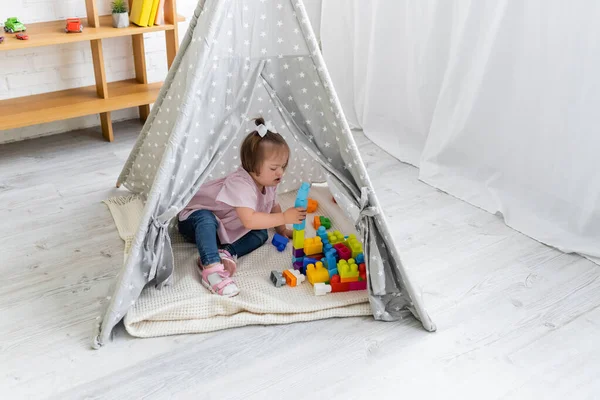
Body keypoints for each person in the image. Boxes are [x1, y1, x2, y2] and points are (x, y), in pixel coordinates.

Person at [178, 118, 307, 297]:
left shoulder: (269, 181)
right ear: (253, 167)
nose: (281, 173)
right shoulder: (241, 184)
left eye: (283, 166)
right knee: (205, 219)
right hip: (194, 220)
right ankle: (212, 269)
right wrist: (284, 217)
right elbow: (249, 220)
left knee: (261, 233)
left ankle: (227, 253)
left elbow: (272, 205)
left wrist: (282, 229)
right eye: (274, 168)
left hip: (227, 227)